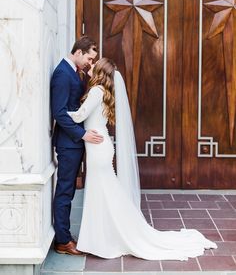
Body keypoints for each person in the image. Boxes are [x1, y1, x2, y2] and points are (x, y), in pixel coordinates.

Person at [67, 57, 217, 260]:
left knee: (102, 191)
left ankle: (106, 237)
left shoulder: (96, 91)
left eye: (95, 64)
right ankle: (106, 236)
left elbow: (79, 116)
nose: (90, 66)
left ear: (101, 71)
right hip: (100, 147)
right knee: (103, 192)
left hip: (97, 149)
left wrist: (57, 112)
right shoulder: (104, 92)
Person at [50, 36, 104, 256]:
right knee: (65, 190)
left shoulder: (74, 72)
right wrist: (82, 135)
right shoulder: (63, 74)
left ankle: (65, 235)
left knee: (70, 189)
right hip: (68, 143)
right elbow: (59, 113)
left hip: (74, 144)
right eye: (89, 58)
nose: (90, 63)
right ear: (79, 52)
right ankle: (63, 241)